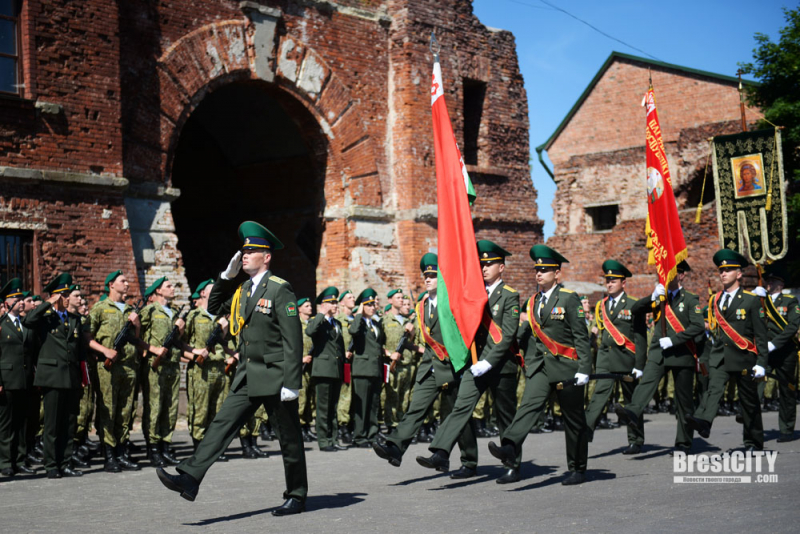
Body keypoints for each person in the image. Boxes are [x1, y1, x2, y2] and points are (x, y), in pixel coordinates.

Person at [157, 221, 307, 516]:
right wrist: (226, 275)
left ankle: (297, 495)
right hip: (247, 375)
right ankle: (190, 478)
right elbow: (213, 306)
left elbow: (293, 340)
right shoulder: (242, 290)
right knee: (220, 426)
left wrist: (292, 382)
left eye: (252, 251)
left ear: (267, 257)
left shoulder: (280, 289)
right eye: (244, 250)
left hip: (275, 377)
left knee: (289, 439)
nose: (245, 254)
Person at [487, 245, 592, 485]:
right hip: (541, 369)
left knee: (573, 421)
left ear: (557, 274)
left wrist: (585, 369)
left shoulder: (568, 298)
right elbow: (528, 333)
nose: (539, 273)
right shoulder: (532, 301)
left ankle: (578, 468)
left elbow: (581, 337)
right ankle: (510, 447)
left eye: (545, 270)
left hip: (567, 367)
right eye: (537, 270)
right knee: (528, 407)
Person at [417, 240, 520, 482]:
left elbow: (507, 335)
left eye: (490, 264)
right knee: (461, 407)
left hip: (500, 365)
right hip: (475, 363)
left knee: (505, 416)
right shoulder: (472, 295)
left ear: (501, 268)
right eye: (481, 264)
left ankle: (512, 465)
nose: (484, 268)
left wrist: (489, 361)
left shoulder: (510, 296)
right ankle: (441, 453)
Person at [372, 254, 477, 470]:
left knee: (455, 415)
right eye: (426, 275)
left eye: (433, 275)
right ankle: (396, 448)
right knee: (415, 408)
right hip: (429, 366)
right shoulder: (421, 306)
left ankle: (467, 461)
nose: (428, 278)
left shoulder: (452, 302)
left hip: (452, 365)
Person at [615, 261, 704, 454]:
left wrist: (674, 340)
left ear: (681, 276)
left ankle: (683, 442)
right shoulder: (659, 297)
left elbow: (698, 326)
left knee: (684, 402)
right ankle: (632, 410)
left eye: (672, 273)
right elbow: (636, 309)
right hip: (659, 352)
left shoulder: (690, 299)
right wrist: (652, 297)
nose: (667, 276)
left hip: (681, 353)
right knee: (647, 382)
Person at [687, 250, 769, 452]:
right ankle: (705, 422)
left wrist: (761, 363)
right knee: (713, 389)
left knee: (749, 403)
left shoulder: (750, 300)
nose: (723, 273)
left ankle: (753, 442)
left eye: (729, 270)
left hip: (743, 357)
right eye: (721, 270)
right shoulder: (715, 300)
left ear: (739, 274)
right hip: (720, 356)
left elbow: (761, 335)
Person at [88, 270, 166, 472]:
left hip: (129, 367)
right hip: (109, 367)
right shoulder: (100, 308)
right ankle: (109, 455)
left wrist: (137, 326)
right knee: (109, 410)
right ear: (111, 284)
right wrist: (105, 350)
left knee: (126, 412)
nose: (127, 284)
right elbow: (87, 337)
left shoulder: (131, 310)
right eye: (122, 281)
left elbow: (136, 339)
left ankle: (122, 452)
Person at [23, 274, 85, 478]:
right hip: (52, 377)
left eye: (68, 294)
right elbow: (28, 321)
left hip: (71, 378)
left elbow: (79, 350)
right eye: (64, 295)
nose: (67, 298)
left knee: (68, 423)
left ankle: (65, 462)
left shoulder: (75, 320)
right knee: (51, 424)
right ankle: (51, 466)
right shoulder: (45, 319)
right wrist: (48, 302)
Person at [584, 261, 647, 452]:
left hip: (627, 358)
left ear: (623, 283)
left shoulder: (633, 304)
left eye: (613, 281)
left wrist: (640, 363)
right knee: (599, 395)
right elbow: (598, 328)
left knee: (631, 399)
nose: (609, 284)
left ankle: (635, 439)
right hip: (606, 359)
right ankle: (585, 431)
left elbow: (640, 336)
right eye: (608, 280)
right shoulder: (602, 305)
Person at [183, 279, 231, 460]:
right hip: (200, 369)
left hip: (219, 367)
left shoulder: (220, 317)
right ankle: (199, 449)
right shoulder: (193, 316)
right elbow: (180, 342)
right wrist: (194, 352)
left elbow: (224, 345)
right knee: (200, 409)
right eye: (213, 289)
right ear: (203, 293)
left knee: (217, 410)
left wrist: (224, 332)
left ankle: (212, 449)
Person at [754, 264, 799, 442]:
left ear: (780, 283)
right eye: (768, 280)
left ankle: (787, 429)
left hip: (785, 351)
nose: (768, 284)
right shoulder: (760, 301)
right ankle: (752, 427)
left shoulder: (789, 301)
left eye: (772, 281)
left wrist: (775, 344)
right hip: (765, 352)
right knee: (755, 385)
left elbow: (792, 327)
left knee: (786, 391)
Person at [0, 278, 38, 476]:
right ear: (6, 303)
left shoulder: (26, 324)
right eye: (16, 298)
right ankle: (5, 461)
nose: (21, 302)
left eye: (22, 298)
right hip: (7, 380)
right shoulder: (2, 324)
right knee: (6, 424)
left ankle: (20, 459)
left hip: (24, 379)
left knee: (22, 422)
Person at [306, 286, 348, 451]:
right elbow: (310, 331)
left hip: (335, 369)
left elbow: (340, 348)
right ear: (323, 304)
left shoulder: (337, 323)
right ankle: (324, 441)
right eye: (331, 302)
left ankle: (333, 439)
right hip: (323, 369)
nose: (335, 305)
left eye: (336, 302)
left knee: (333, 406)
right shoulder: (316, 321)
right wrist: (321, 313)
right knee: (323, 407)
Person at [349, 288, 386, 448]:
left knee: (373, 404)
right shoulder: (359, 322)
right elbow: (353, 331)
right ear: (362, 307)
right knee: (362, 405)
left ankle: (372, 434)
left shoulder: (376, 323)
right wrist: (358, 313)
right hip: (362, 369)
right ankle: (360, 436)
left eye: (373, 305)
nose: (372, 308)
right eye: (368, 305)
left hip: (375, 369)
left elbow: (380, 343)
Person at [382, 289, 417, 433]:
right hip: (392, 364)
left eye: (402, 298)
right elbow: (378, 343)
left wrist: (412, 331)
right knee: (392, 396)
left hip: (406, 363)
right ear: (390, 301)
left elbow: (411, 341)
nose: (401, 300)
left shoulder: (408, 321)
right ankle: (391, 425)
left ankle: (401, 425)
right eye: (398, 298)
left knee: (405, 396)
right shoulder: (384, 320)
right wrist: (390, 354)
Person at [336, 290, 356, 443]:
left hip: (357, 363)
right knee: (345, 394)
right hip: (344, 362)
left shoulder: (355, 319)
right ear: (341, 302)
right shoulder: (339, 320)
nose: (353, 299)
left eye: (353, 297)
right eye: (349, 298)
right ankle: (343, 426)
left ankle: (351, 425)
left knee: (353, 395)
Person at [297, 297, 316, 442]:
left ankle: (306, 427)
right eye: (307, 306)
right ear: (299, 309)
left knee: (310, 399)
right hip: (299, 367)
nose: (310, 308)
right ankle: (299, 428)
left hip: (311, 366)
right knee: (301, 399)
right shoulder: (295, 324)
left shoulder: (311, 324)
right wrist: (300, 359)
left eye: (310, 305)